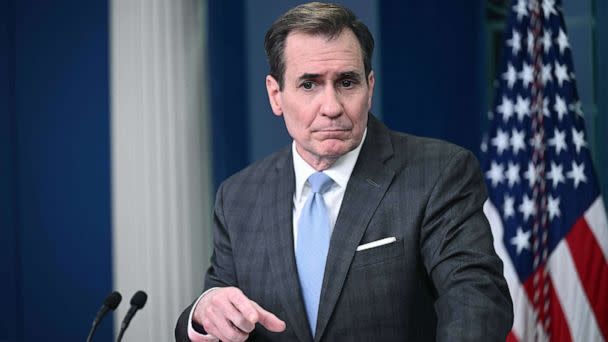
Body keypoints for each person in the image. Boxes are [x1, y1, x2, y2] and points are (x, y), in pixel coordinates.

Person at [175, 2, 513, 341]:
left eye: (347, 82)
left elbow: (477, 301)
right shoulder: (238, 196)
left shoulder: (439, 173)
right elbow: (220, 303)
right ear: (276, 95)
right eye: (309, 84)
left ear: (369, 88)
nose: (332, 107)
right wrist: (202, 311)